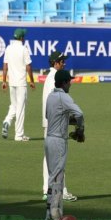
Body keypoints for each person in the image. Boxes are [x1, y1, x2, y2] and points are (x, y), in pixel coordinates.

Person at [44, 70, 85, 220]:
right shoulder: (64, 97)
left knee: (52, 178)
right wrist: (80, 130)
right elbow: (80, 113)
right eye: (69, 81)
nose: (71, 84)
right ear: (64, 83)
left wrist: (69, 121)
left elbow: (51, 117)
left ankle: (48, 217)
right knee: (58, 180)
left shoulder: (50, 97)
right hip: (59, 142)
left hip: (48, 140)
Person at [42, 51, 77, 202]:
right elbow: (56, 103)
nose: (64, 63)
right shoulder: (53, 79)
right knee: (58, 161)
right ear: (55, 62)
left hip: (50, 124)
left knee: (50, 160)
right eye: (62, 61)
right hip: (55, 126)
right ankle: (60, 190)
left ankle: (48, 189)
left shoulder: (50, 77)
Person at [1, 28, 35, 142]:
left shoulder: (9, 48)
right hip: (21, 83)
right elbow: (28, 66)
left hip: (12, 82)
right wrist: (32, 81)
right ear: (21, 38)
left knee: (14, 105)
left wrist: (4, 81)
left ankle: (7, 121)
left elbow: (5, 66)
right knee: (20, 108)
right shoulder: (23, 49)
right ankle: (19, 135)